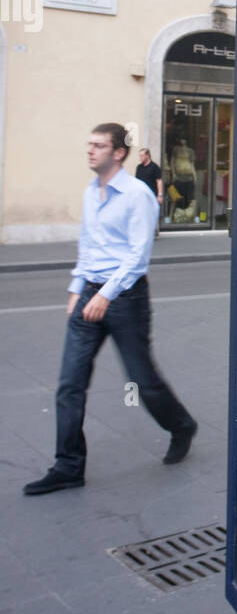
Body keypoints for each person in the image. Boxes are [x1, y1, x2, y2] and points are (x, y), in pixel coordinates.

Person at [23, 123, 198, 495]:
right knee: (70, 384)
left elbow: (138, 255)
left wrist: (106, 294)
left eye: (99, 145)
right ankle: (68, 466)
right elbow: (89, 244)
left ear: (119, 153)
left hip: (125, 299)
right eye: (89, 144)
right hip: (90, 293)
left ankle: (181, 426)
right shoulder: (91, 192)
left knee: (142, 381)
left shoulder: (138, 195)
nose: (90, 150)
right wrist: (78, 287)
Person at [135, 146, 163, 239]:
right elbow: (136, 182)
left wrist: (160, 194)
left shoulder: (154, 167)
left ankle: (154, 231)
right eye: (140, 156)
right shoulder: (139, 167)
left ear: (147, 156)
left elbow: (159, 181)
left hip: (152, 195)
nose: (140, 158)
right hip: (141, 195)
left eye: (142, 156)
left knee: (152, 213)